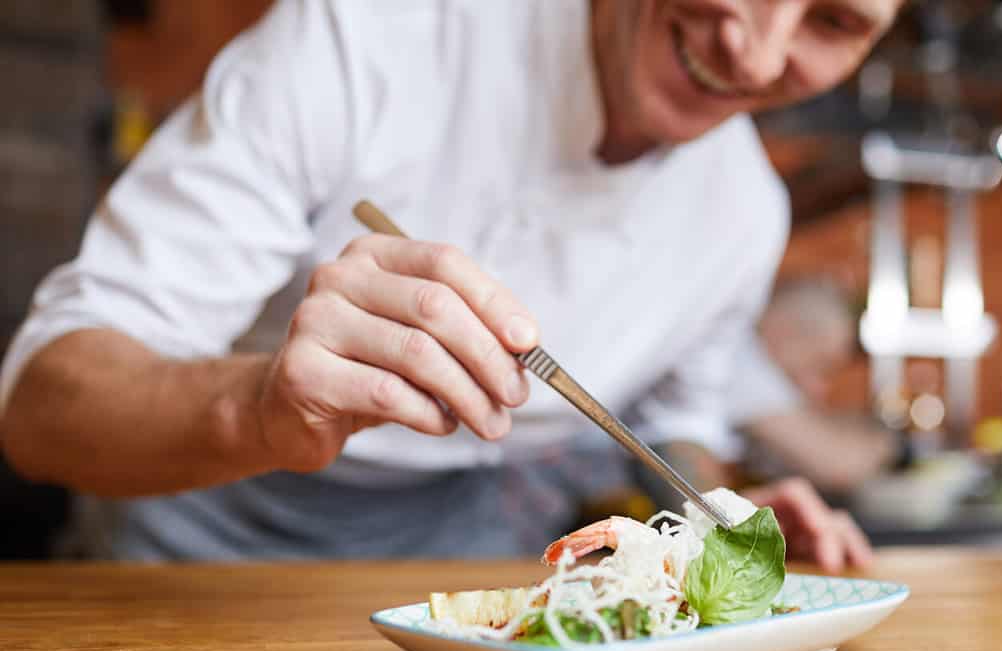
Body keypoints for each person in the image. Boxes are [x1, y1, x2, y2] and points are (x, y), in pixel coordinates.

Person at [0, 0, 900, 569]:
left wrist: (716, 514)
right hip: (186, 563)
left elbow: (672, 430)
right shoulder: (366, 36)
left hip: (467, 593)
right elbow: (39, 407)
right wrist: (259, 408)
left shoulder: (745, 213)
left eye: (833, 21)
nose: (753, 50)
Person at [727, 277, 904, 494]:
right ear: (785, 332)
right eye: (821, 366)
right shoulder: (743, 364)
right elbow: (840, 465)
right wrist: (890, 444)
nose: (820, 388)